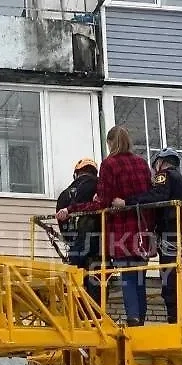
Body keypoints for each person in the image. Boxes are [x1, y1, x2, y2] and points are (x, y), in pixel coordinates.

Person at [57, 126, 155, 326]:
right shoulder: (142, 164)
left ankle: (133, 319)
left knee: (128, 276)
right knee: (139, 278)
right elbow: (148, 196)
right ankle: (140, 319)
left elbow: (102, 203)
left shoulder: (110, 164)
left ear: (111, 143)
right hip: (143, 228)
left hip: (121, 229)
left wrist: (72, 209)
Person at [113, 147, 182, 329]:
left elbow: (157, 196)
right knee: (180, 282)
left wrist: (127, 202)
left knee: (171, 286)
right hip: (180, 238)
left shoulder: (165, 175)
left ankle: (178, 325)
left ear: (160, 163)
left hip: (170, 237)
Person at [56, 157, 102, 304]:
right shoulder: (98, 185)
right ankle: (96, 318)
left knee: (76, 286)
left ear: (76, 174)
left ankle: (79, 317)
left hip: (75, 250)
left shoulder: (64, 195)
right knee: (96, 288)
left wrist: (72, 242)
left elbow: (61, 223)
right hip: (97, 248)